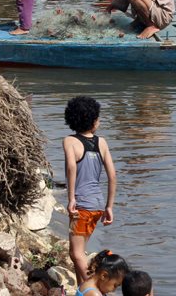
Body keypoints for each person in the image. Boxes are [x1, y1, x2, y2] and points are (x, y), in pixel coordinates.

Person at [64, 96, 117, 285]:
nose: (99, 121)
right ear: (92, 120)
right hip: (97, 206)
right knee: (80, 252)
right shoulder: (101, 142)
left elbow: (72, 168)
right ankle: (81, 289)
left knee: (76, 254)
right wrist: (109, 206)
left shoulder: (70, 141)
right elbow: (112, 175)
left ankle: (92, 289)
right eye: (98, 118)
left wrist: (71, 199)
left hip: (82, 206)